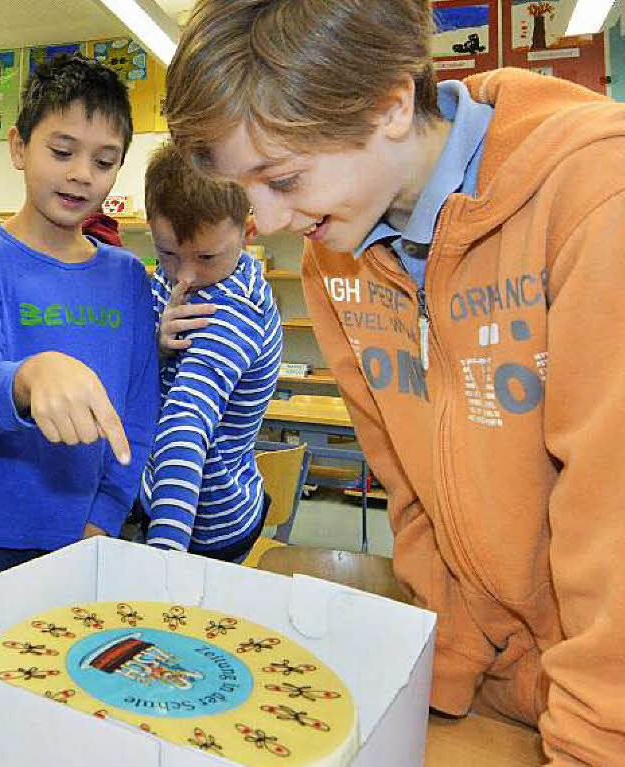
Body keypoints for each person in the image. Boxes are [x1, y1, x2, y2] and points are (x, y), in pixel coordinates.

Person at [163, 0, 625, 763]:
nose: (268, 220)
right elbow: (407, 483)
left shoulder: (592, 193)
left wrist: (597, 739)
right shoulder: (332, 256)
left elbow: (613, 516)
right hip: (490, 687)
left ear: (388, 105)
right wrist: (447, 665)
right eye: (248, 190)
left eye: (283, 178)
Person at [0, 55, 158, 595]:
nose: (82, 173)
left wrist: (104, 515)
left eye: (104, 162)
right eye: (62, 151)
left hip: (80, 534)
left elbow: (138, 413)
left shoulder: (127, 275)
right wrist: (28, 378)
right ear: (18, 146)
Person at [140, 143, 281, 561]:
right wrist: (156, 348)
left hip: (205, 524)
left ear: (248, 232)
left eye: (205, 256)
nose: (185, 275)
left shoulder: (231, 312)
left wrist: (163, 559)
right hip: (160, 493)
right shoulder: (182, 281)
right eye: (167, 253)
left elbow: (186, 424)